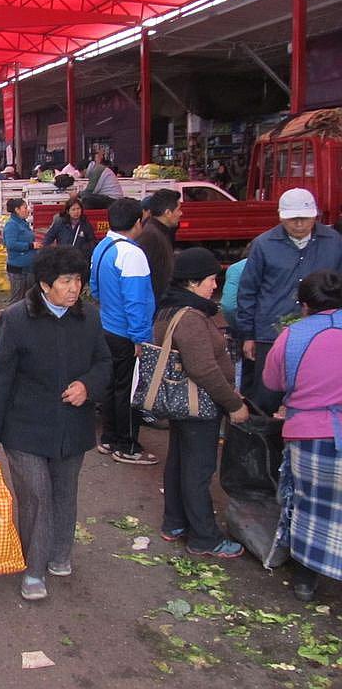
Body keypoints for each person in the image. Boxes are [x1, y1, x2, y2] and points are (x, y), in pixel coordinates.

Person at [0, 246, 112, 600]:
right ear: (45, 285)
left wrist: (88, 386)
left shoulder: (90, 318)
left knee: (65, 491)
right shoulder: (17, 319)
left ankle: (59, 553)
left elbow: (104, 364)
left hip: (73, 426)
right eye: (66, 281)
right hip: (25, 428)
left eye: (78, 280)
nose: (73, 288)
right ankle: (33, 570)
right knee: (37, 495)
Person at [153, 248, 249, 558]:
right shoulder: (191, 317)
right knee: (198, 469)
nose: (214, 286)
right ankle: (205, 537)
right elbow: (203, 368)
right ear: (192, 283)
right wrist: (232, 403)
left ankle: (175, 522)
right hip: (199, 404)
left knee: (180, 461)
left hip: (180, 402)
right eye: (210, 280)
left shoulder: (170, 309)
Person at [262, 270, 342, 601]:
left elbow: (272, 383)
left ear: (305, 304)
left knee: (309, 506)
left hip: (308, 435)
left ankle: (306, 582)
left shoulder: (292, 336)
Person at [236, 188, 342, 413]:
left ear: (315, 217)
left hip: (321, 331)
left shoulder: (333, 242)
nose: (300, 225)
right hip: (270, 333)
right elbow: (248, 291)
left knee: (313, 388)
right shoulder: (263, 244)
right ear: (281, 217)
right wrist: (248, 335)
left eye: (305, 219)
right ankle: (265, 445)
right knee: (266, 395)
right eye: (293, 220)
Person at [90, 198, 157, 465]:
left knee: (111, 386)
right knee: (128, 390)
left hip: (106, 326)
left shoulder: (102, 247)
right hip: (126, 333)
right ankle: (127, 445)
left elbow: (94, 289)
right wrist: (141, 338)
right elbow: (136, 301)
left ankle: (108, 438)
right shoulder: (132, 254)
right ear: (138, 221)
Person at [136, 189, 183, 301]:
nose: (181, 213)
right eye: (178, 209)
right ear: (167, 213)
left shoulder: (160, 231)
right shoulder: (150, 236)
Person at [2, 198, 41, 303]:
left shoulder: (23, 223)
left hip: (28, 267)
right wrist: (30, 246)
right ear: (17, 209)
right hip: (18, 269)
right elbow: (11, 244)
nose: (27, 210)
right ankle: (11, 318)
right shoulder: (12, 225)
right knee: (17, 300)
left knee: (28, 299)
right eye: (25, 207)